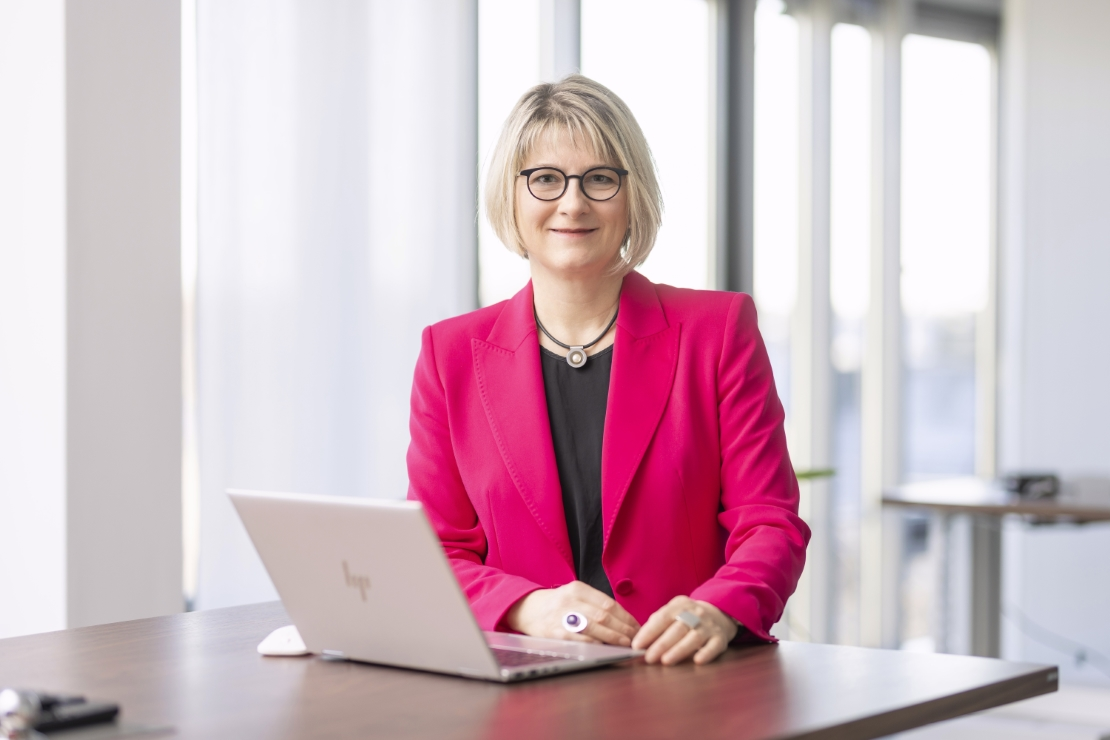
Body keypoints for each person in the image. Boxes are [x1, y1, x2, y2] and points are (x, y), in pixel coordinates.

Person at [407, 75, 809, 666]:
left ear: (632, 196)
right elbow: (434, 550)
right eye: (545, 179)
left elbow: (768, 521)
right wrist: (526, 607)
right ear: (511, 196)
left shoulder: (718, 330)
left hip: (681, 680)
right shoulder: (451, 355)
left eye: (600, 178)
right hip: (519, 688)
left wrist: (718, 607)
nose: (572, 202)